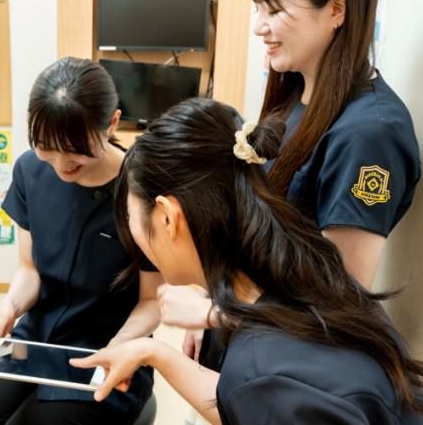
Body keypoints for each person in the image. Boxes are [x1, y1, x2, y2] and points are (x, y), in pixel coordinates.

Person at [71, 97, 423, 424]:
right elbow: (246, 401)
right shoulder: (306, 270)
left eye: (130, 215)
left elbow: (259, 394)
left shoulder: (262, 368)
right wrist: (152, 352)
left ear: (167, 217)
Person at [170, 0, 421, 374]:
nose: (258, 26)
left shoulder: (369, 134)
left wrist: (216, 312)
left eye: (275, 9)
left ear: (336, 10)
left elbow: (337, 300)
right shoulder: (294, 94)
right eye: (257, 7)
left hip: (284, 361)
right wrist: (215, 294)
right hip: (249, 338)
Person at [0, 57, 162, 425]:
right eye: (47, 146)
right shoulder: (30, 170)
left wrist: (117, 348)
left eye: (76, 148)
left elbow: (152, 301)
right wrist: (11, 305)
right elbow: (30, 269)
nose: (62, 164)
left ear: (112, 122)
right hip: (33, 341)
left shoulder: (141, 189)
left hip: (106, 348)